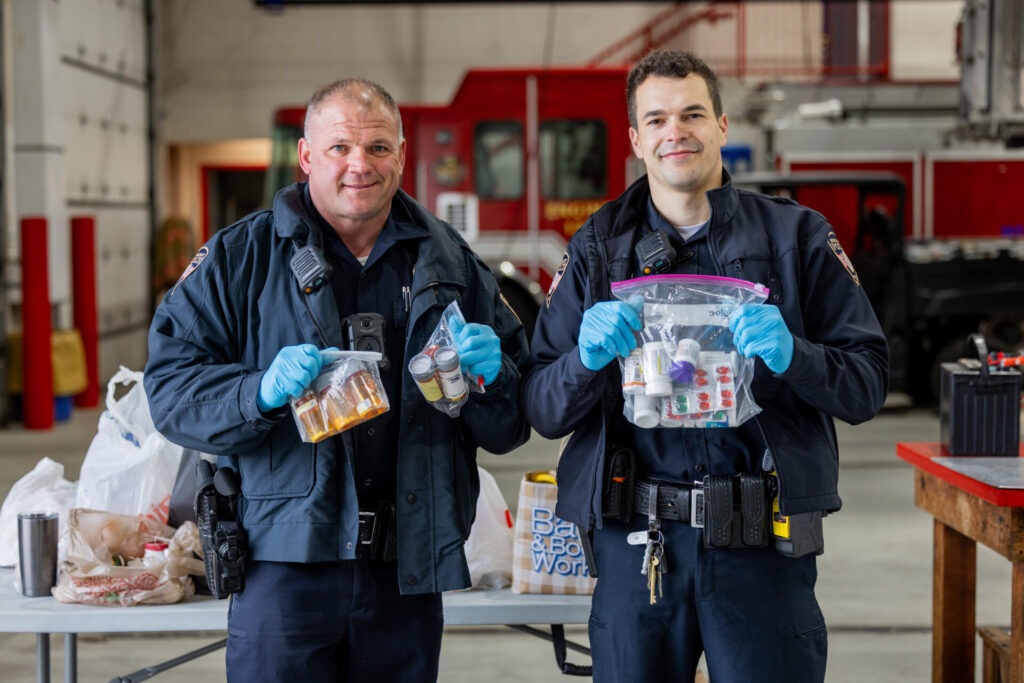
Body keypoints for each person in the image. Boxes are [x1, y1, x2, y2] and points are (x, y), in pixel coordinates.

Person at [145, 77, 530, 682]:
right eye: (339, 148)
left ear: (402, 155)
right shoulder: (238, 260)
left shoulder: (451, 263)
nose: (360, 165)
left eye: (378, 148)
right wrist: (259, 394)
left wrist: (496, 378)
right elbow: (170, 390)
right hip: (284, 571)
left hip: (405, 573)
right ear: (305, 156)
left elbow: (510, 427)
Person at [524, 50, 888, 682]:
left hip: (762, 550)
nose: (677, 132)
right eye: (657, 119)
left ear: (722, 125)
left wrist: (793, 355)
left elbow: (867, 385)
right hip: (637, 547)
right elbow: (542, 408)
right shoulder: (594, 251)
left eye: (693, 113)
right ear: (636, 140)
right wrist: (585, 361)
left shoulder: (796, 238)